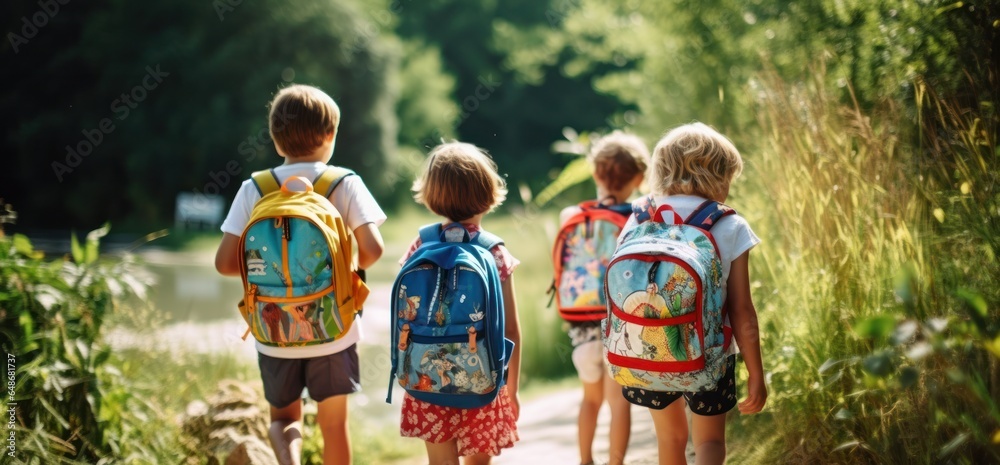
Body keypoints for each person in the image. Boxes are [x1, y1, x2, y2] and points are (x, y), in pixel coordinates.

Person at [214, 84, 386, 465]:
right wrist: (346, 271)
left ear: (277, 141)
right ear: (330, 135)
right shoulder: (344, 183)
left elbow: (225, 264)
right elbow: (373, 250)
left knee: (283, 419)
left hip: (272, 331)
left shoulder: (254, 188)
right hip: (334, 327)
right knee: (334, 425)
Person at [617, 123, 766, 465]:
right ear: (718, 175)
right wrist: (756, 373)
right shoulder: (728, 225)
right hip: (710, 355)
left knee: (669, 440)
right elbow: (743, 309)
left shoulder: (639, 217)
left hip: (649, 351)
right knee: (710, 442)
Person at [398, 141, 521, 465]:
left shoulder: (420, 245)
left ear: (431, 194)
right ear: (487, 192)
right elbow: (512, 332)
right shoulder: (494, 251)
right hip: (482, 378)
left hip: (425, 377)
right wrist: (512, 390)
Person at [557, 131, 648, 465]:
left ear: (595, 173)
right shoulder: (639, 215)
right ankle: (615, 462)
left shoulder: (571, 215)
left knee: (589, 399)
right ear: (640, 177)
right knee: (618, 403)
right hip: (619, 323)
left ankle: (584, 460)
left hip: (580, 324)